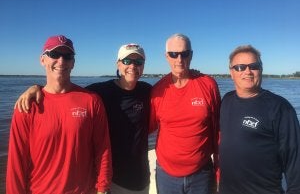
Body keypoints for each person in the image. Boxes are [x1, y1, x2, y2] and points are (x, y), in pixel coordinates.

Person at [14, 43, 152, 194]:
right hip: (112, 180)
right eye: (127, 61)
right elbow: (64, 92)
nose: (132, 66)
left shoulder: (148, 92)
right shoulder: (99, 92)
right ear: (118, 64)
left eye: (138, 62)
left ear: (143, 66)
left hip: (140, 178)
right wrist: (37, 87)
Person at [6, 35, 112, 194]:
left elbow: (102, 149)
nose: (61, 61)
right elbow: (17, 162)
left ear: (73, 63)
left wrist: (103, 187)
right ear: (43, 60)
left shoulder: (92, 101)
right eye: (54, 54)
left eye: (67, 56)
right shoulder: (27, 105)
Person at [219, 45, 300, 194]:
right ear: (231, 73)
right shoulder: (226, 100)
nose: (247, 71)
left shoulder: (280, 108)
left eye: (253, 66)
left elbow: (295, 160)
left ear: (261, 69)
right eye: (240, 67)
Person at [149, 33, 221, 194]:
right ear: (166, 56)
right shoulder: (158, 91)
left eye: (184, 53)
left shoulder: (208, 85)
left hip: (201, 173)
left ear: (191, 55)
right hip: (166, 175)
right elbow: (144, 129)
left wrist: (219, 170)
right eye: (174, 54)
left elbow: (218, 131)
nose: (179, 59)